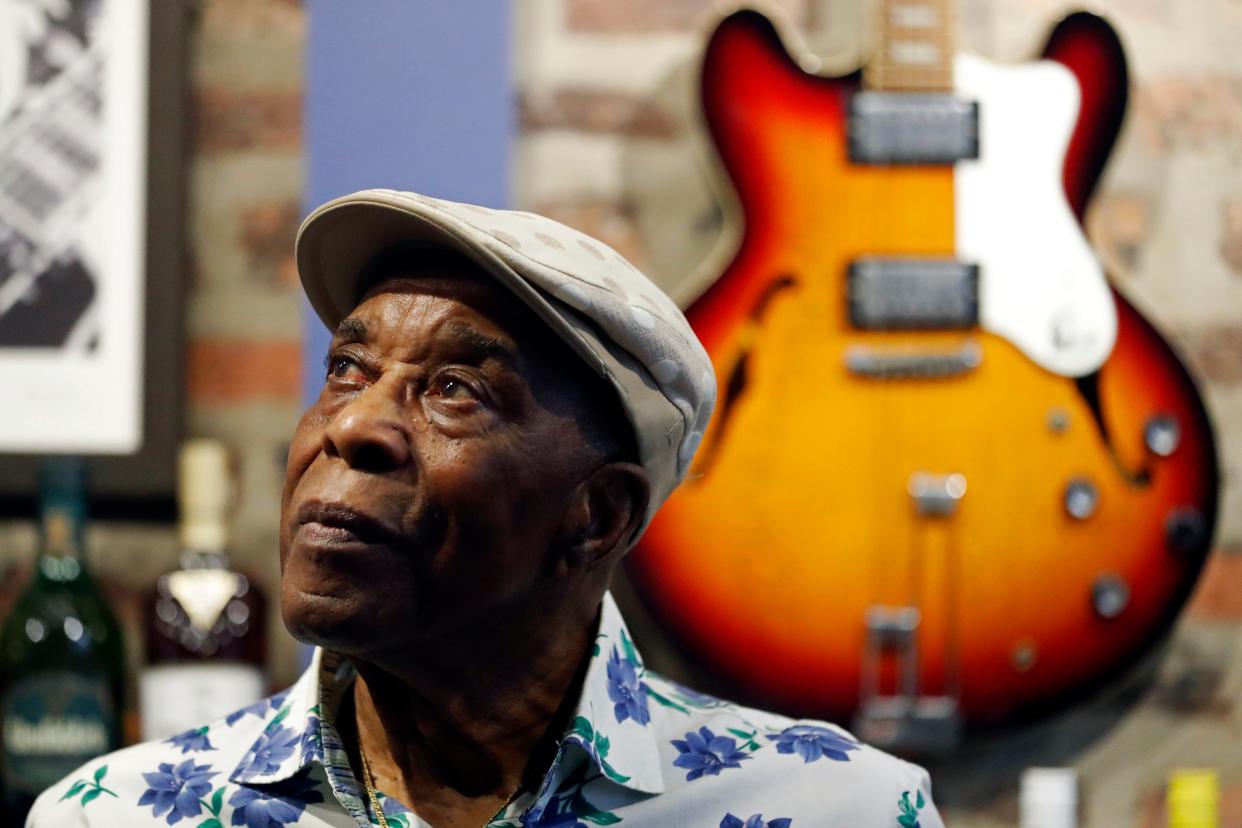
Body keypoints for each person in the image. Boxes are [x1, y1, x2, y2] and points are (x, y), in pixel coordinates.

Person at [28, 190, 945, 828]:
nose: (353, 426)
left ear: (598, 517)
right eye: (347, 368)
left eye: (455, 389)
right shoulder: (116, 814)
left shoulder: (838, 810)